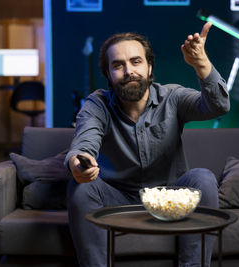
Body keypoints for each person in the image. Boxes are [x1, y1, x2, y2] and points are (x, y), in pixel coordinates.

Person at [65, 22, 229, 267]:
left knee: (202, 178)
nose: (128, 70)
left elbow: (218, 106)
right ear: (108, 75)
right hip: (116, 199)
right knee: (80, 187)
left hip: (170, 198)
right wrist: (78, 164)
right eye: (118, 65)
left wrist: (201, 63)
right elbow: (83, 143)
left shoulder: (172, 97)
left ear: (150, 67)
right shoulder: (97, 104)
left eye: (136, 61)